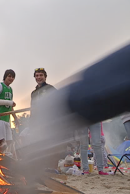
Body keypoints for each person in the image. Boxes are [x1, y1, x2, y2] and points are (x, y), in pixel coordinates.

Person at [19, 43, 130, 183]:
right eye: (37, 75)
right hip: (66, 114)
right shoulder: (34, 93)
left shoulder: (51, 90)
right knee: (83, 144)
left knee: (95, 143)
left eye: (41, 75)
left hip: (78, 113)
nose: (39, 77)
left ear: (45, 77)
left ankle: (99, 168)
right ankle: (84, 169)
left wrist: (68, 103)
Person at [0, 69, 18, 158]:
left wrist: (15, 118)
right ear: (5, 76)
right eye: (9, 76)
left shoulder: (10, 89)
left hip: (6, 118)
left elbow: (10, 106)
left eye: (13, 77)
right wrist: (8, 102)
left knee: (9, 140)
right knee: (0, 141)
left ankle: (6, 157)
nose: (11, 78)